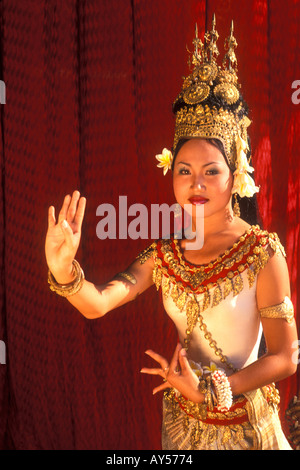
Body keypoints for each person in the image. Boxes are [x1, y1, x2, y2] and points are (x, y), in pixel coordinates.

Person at [45, 17, 298, 450]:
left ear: (235, 177)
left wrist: (215, 391)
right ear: (170, 174)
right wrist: (64, 269)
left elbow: (287, 356)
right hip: (183, 424)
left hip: (245, 426)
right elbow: (99, 303)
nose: (195, 183)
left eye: (210, 171)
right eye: (184, 171)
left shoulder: (261, 252)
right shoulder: (165, 254)